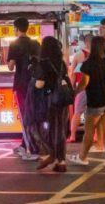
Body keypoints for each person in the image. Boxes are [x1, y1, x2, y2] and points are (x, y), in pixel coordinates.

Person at [67, 35, 105, 168]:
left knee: (89, 130)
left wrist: (75, 92)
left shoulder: (88, 63)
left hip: (95, 100)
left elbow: (84, 82)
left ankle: (83, 157)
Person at [34, 36, 72, 172]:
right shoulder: (61, 63)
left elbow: (39, 84)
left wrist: (33, 82)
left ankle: (54, 155)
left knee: (49, 129)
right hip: (62, 99)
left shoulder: (43, 63)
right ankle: (60, 159)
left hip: (50, 100)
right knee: (60, 128)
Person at [7, 16, 41, 160]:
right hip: (35, 84)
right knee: (33, 114)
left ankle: (31, 148)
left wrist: (9, 60)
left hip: (21, 84)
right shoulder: (36, 44)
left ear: (16, 29)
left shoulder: (14, 45)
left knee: (24, 115)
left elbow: (10, 67)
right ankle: (24, 144)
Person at [69, 34, 92, 142]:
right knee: (92, 113)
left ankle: (73, 135)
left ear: (86, 42)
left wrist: (72, 88)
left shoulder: (78, 55)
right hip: (94, 87)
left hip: (81, 86)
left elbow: (72, 73)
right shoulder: (100, 54)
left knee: (77, 112)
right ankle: (94, 135)